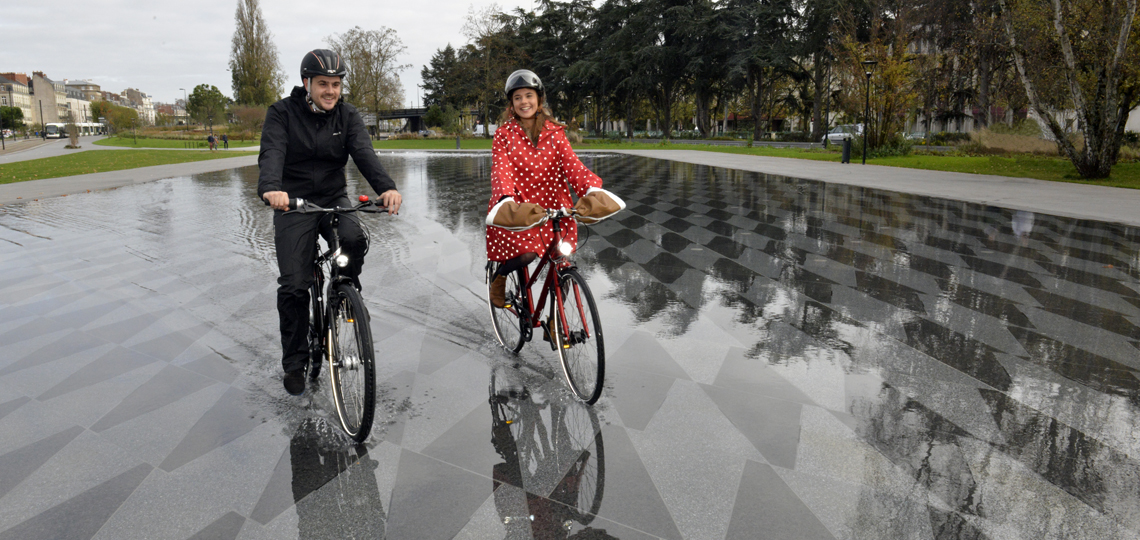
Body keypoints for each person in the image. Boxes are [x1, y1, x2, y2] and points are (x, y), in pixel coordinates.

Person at [258, 48, 403, 396]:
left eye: (336, 84)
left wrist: (387, 187)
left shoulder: (347, 116)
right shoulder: (281, 113)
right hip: (293, 201)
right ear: (306, 82)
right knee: (294, 285)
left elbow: (364, 153)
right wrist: (272, 189)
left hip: (332, 196)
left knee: (353, 239)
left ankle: (347, 291)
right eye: (323, 84)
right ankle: (295, 362)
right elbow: (272, 152)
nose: (330, 91)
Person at [485, 69, 623, 309]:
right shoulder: (504, 134)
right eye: (517, 97)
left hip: (554, 207)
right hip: (520, 207)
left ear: (539, 99)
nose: (524, 102)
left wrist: (591, 189)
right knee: (526, 254)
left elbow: (573, 166)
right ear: (511, 103)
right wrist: (505, 199)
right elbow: (501, 170)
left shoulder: (555, 133)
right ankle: (500, 276)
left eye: (529, 95)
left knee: (563, 262)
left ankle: (554, 321)